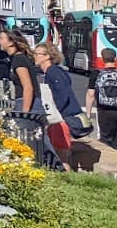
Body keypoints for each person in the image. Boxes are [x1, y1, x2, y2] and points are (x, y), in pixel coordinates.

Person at [34, 42, 89, 171]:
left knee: (61, 155)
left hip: (60, 119)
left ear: (47, 56)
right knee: (61, 153)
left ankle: (66, 177)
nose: (34, 56)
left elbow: (62, 94)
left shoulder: (53, 72)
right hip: (60, 118)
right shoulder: (54, 72)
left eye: (37, 54)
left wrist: (53, 114)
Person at [87, 47, 117, 148]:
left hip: (104, 111)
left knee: (105, 140)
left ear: (103, 59)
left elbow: (90, 95)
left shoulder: (96, 74)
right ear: (115, 59)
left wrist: (88, 114)